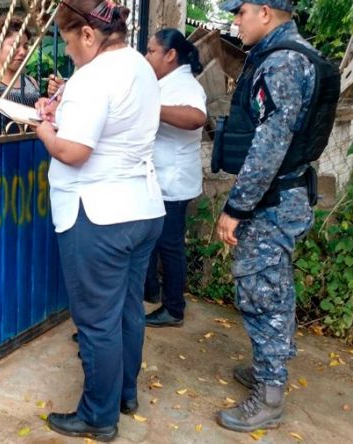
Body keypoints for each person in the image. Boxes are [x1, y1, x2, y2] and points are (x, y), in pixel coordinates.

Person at [33, 0, 164, 440]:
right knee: (128, 310)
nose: (69, 54)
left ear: (88, 35)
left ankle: (98, 416)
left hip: (99, 216)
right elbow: (111, 127)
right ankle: (123, 394)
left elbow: (73, 151)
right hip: (143, 209)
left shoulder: (94, 76)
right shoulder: (141, 67)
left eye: (69, 43)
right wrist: (62, 114)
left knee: (96, 323)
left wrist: (43, 129)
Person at [211, 0, 337, 433]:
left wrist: (235, 208)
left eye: (241, 11)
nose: (235, 20)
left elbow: (269, 145)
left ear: (265, 12)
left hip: (271, 202)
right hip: (284, 196)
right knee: (275, 288)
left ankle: (268, 397)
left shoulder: (282, 61)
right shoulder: (293, 54)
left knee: (261, 292)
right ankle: (271, 371)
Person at [141, 28, 208, 327]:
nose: (147, 56)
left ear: (170, 55)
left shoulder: (185, 84)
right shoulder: (163, 82)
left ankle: (174, 309)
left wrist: (152, 108)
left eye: (152, 50)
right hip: (159, 179)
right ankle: (152, 292)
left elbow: (197, 117)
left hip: (174, 182)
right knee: (153, 241)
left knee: (169, 245)